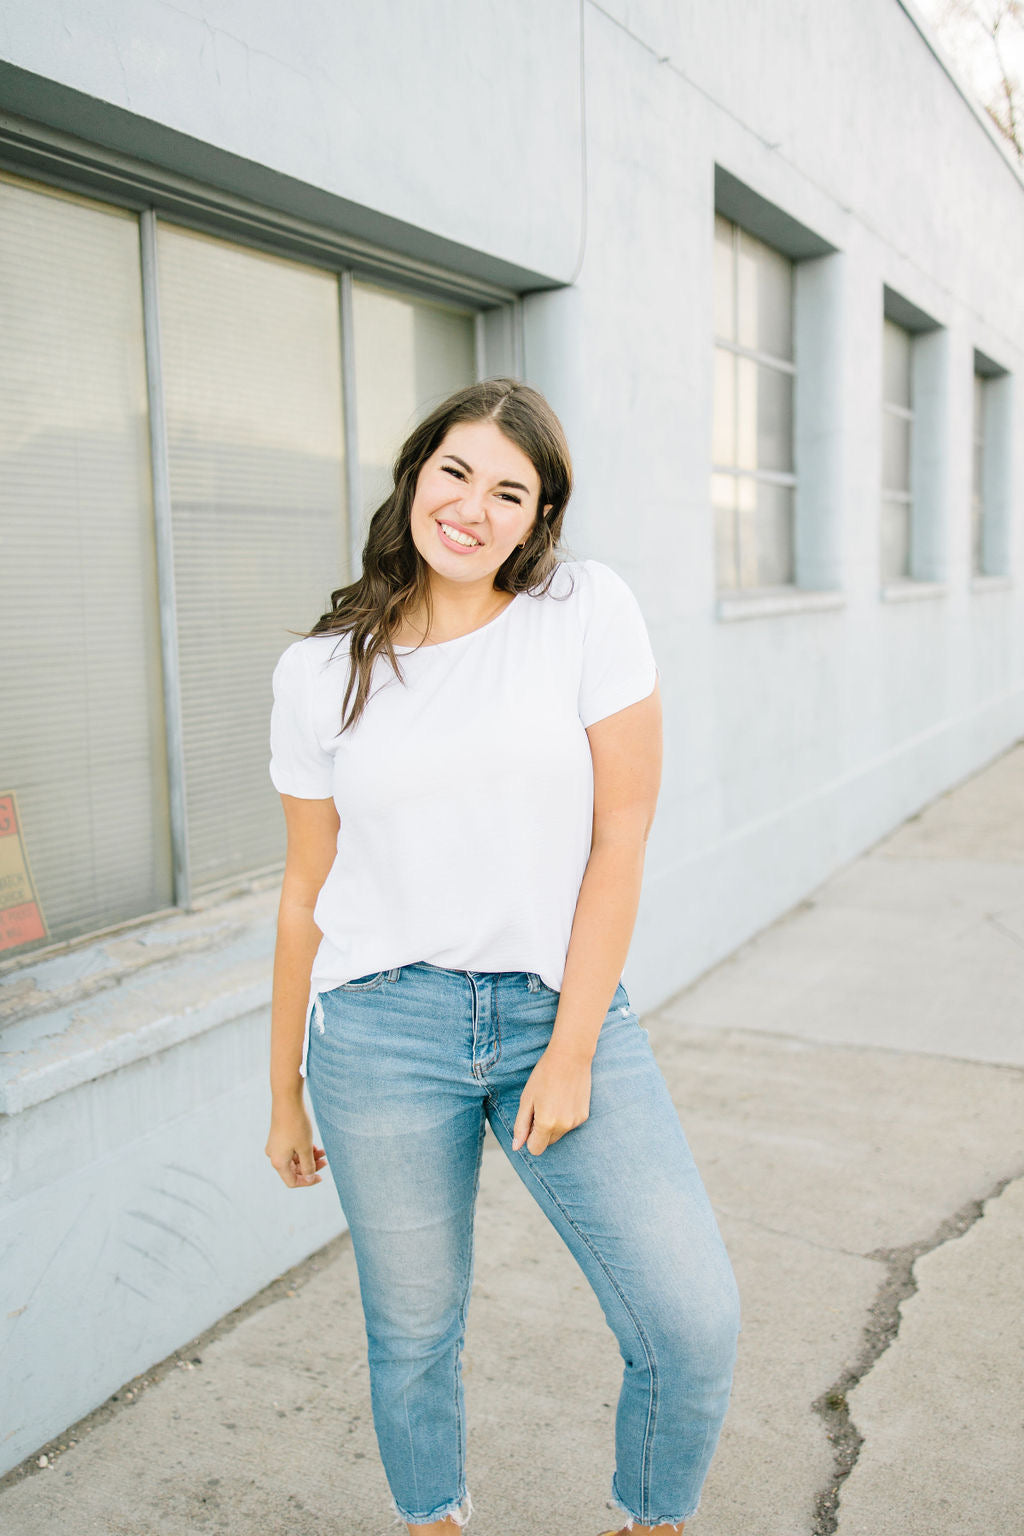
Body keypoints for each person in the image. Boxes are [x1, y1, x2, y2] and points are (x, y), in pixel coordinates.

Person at [265, 377, 740, 1536]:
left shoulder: (584, 611)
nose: (472, 506)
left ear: (538, 519)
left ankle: (651, 1520)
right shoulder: (319, 672)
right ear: (415, 479)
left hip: (554, 1011)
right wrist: (281, 1086)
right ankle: (433, 1520)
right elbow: (303, 890)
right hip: (376, 1033)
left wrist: (572, 1047)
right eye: (454, 473)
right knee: (414, 1334)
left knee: (689, 1320)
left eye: (508, 490)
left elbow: (620, 837)